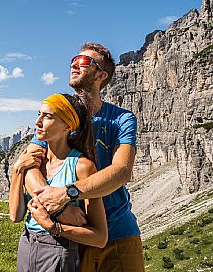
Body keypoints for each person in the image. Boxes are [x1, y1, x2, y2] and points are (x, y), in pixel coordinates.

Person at [24, 43, 145, 272]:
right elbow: (30, 165)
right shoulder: (58, 114)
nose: (74, 64)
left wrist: (66, 194)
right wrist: (57, 209)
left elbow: (122, 171)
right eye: (73, 59)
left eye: (83, 61)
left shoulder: (122, 119)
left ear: (101, 75)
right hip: (76, 235)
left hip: (119, 235)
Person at [9, 93, 107, 272]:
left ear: (68, 126)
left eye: (47, 116)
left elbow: (100, 237)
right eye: (39, 114)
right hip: (27, 243)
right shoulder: (33, 162)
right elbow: (15, 216)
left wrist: (54, 227)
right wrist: (17, 170)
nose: (38, 121)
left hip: (59, 249)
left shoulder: (82, 167)